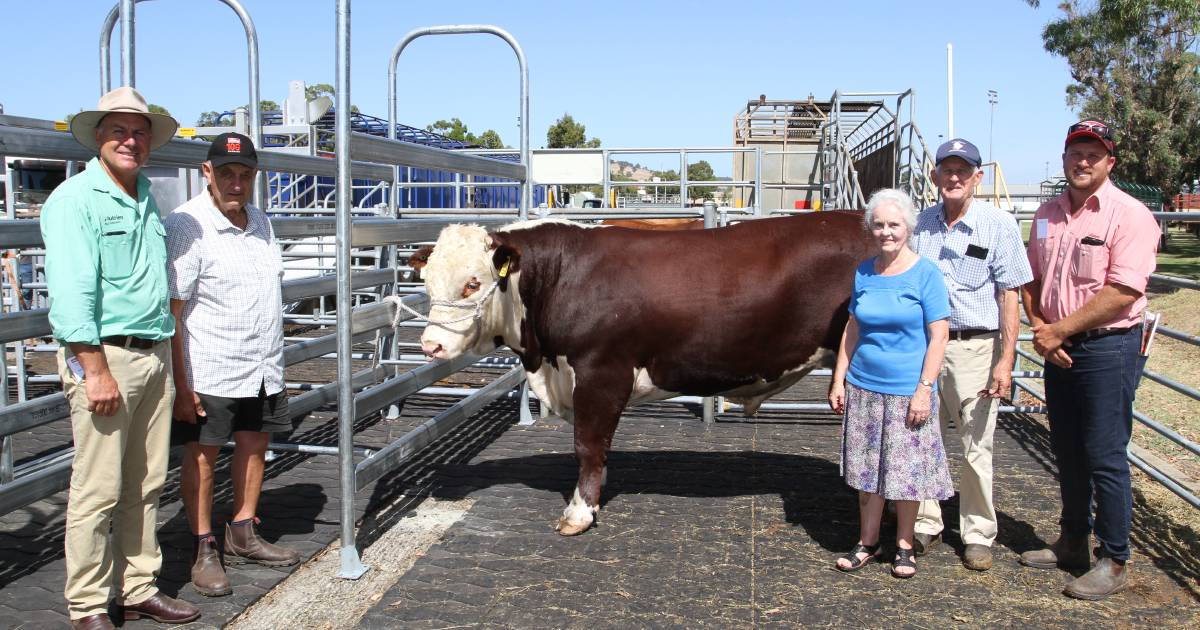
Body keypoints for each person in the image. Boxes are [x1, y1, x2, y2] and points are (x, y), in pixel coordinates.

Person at [40, 87, 200, 629]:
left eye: (139, 133)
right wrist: (94, 367)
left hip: (151, 353)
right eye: (119, 131)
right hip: (108, 356)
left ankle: (137, 586)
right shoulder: (75, 200)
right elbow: (71, 293)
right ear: (99, 138)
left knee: (146, 481)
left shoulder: (146, 198)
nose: (130, 141)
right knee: (99, 488)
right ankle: (86, 605)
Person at [1019, 120, 1159, 600]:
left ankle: (1114, 556)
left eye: (1093, 155)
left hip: (1108, 345)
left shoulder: (1131, 215)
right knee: (1068, 448)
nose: (1082, 161)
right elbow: (1030, 277)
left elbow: (1123, 290)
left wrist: (1058, 329)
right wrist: (1043, 329)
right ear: (1063, 159)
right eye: (1075, 153)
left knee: (1104, 452)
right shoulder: (1046, 213)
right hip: (1057, 344)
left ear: (1110, 163)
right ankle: (1073, 540)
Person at [166, 132, 299, 598]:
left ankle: (242, 530)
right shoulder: (187, 224)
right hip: (211, 363)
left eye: (245, 174)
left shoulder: (260, 221)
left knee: (254, 442)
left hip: (261, 362)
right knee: (202, 454)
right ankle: (202, 546)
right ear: (207, 172)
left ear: (255, 176)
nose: (236, 182)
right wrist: (183, 385)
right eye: (226, 173)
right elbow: (174, 312)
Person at [910, 139, 1033, 571]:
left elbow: (1010, 294)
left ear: (978, 177)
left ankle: (978, 531)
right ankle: (925, 522)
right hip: (925, 347)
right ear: (935, 176)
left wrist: (1005, 359)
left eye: (964, 170)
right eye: (947, 169)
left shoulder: (998, 225)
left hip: (975, 345)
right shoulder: (919, 224)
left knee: (975, 442)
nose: (955, 177)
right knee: (921, 434)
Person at [828, 188, 953, 579]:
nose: (886, 232)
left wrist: (924, 389)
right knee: (868, 472)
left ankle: (904, 544)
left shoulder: (926, 273)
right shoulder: (864, 272)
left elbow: (939, 334)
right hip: (864, 388)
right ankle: (867, 541)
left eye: (894, 224)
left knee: (907, 474)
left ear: (909, 227)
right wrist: (839, 378)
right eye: (879, 224)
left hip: (907, 392)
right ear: (871, 228)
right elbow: (853, 326)